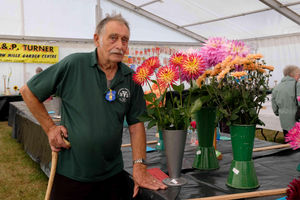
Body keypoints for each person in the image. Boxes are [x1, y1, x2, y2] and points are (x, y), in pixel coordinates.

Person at [20, 14, 166, 199]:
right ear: (97, 39)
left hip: (112, 176)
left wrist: (139, 166)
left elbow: (136, 125)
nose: (120, 45)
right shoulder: (74, 64)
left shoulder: (131, 78)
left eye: (124, 40)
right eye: (113, 38)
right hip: (71, 174)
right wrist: (50, 129)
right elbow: (28, 91)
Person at [272, 65, 300, 137]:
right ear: (293, 74)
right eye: (299, 74)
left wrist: (281, 113)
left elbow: (275, 108)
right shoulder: (298, 85)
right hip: (297, 121)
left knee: (290, 143)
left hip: (284, 121)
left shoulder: (277, 87)